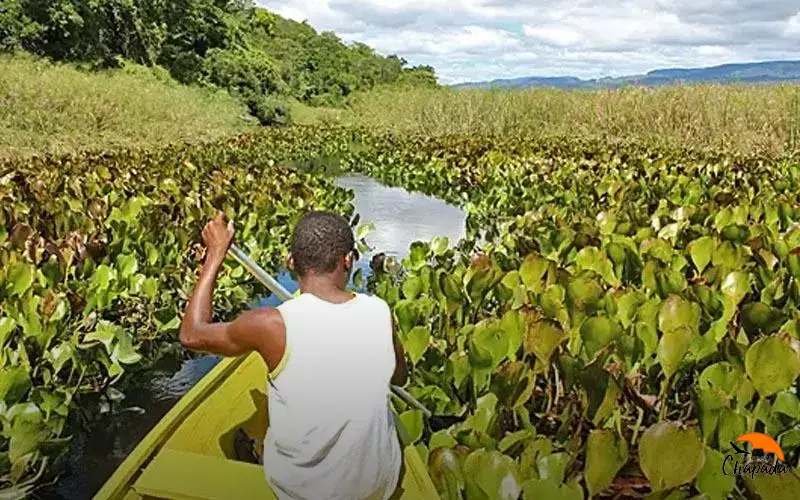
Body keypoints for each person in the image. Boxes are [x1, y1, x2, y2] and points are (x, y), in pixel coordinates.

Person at [179, 210, 407, 500]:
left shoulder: (270, 325)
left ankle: (258, 451)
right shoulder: (380, 311)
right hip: (378, 488)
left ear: (290, 262)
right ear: (348, 260)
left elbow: (191, 335)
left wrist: (215, 253)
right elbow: (399, 378)